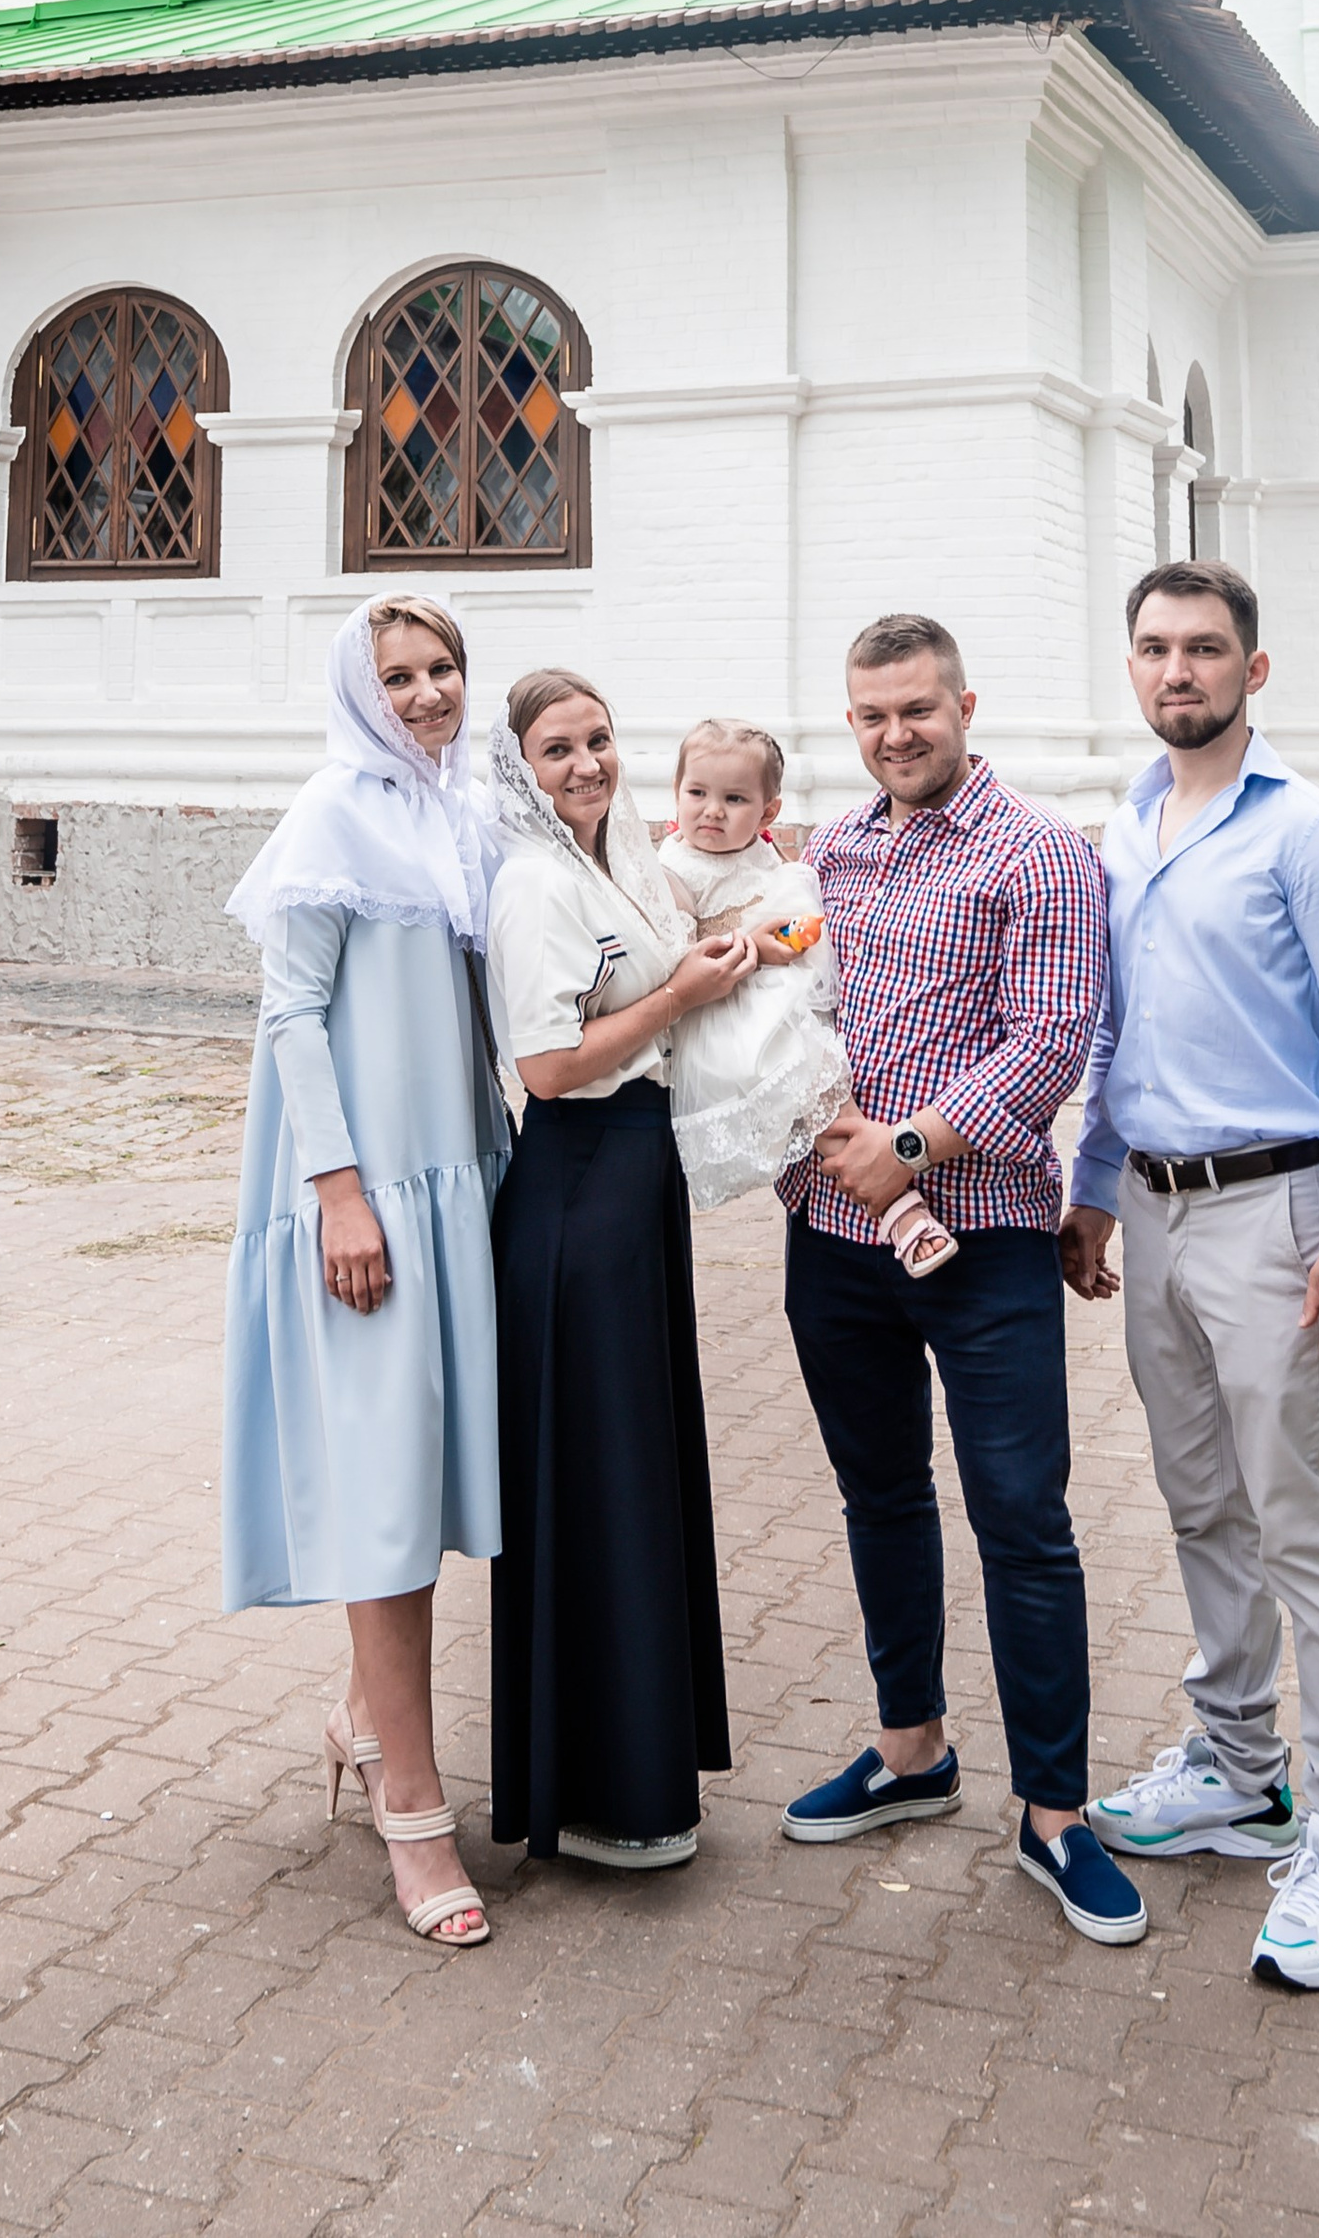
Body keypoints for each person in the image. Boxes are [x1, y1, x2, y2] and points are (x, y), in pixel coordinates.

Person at [1062, 558, 1319, 1995]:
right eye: (1155, 648)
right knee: (1202, 1501)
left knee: (1303, 1527)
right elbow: (1116, 1027)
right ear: (1132, 667)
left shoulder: (1311, 833)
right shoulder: (1129, 822)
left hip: (1279, 1216)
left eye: (1205, 649)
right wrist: (1093, 1188)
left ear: (1251, 670)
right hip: (1153, 1213)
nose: (1178, 670)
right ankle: (1235, 1768)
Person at [777, 613, 1145, 1945]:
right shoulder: (829, 851)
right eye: (872, 716)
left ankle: (1054, 1814)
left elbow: (1050, 1042)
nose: (896, 735)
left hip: (982, 1241)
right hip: (833, 1238)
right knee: (879, 1496)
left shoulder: (1037, 851)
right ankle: (911, 1748)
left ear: (965, 706)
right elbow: (783, 1008)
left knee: (1021, 1520)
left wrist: (913, 1147)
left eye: (917, 710)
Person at [219, 595, 506, 1949]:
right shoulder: (333, 813)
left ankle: (356, 1717)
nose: (427, 692)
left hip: (458, 1182)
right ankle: (415, 1808)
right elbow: (290, 1013)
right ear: (358, 690)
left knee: (422, 1482)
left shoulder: (459, 811)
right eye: (397, 675)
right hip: (368, 1196)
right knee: (388, 1499)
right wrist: (339, 1194)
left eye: (443, 667)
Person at [485, 668, 750, 1869]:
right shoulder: (535, 883)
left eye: (596, 738)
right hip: (580, 1185)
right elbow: (546, 1066)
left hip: (638, 1181)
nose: (586, 762)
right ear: (520, 770)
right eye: (556, 749)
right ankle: (596, 1787)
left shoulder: (620, 862)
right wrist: (679, 995)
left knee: (638, 1470)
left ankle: (642, 1773)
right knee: (597, 1478)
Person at [659, 718, 952, 1270]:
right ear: (676, 793)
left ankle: (889, 1203)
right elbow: (678, 958)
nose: (712, 811)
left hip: (783, 999)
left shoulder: (765, 856)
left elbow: (799, 924)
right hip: (731, 1012)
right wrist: (755, 944)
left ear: (768, 812)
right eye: (697, 793)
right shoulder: (674, 869)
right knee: (812, 1082)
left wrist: (799, 932)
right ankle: (899, 1210)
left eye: (734, 799)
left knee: (824, 1089)